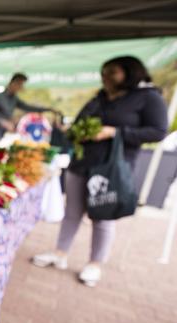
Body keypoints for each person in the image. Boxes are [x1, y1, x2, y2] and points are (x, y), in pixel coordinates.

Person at [32, 56, 168, 287]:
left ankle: (95, 263)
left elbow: (157, 131)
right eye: (104, 72)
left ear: (129, 72)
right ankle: (60, 253)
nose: (105, 76)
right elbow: (78, 124)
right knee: (72, 212)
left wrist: (115, 132)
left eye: (112, 72)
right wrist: (76, 132)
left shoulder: (148, 98)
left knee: (103, 215)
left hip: (111, 168)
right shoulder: (100, 98)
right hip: (82, 163)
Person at [0, 73, 58, 140]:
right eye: (20, 84)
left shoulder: (14, 99)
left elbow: (28, 107)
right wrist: (2, 122)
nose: (21, 87)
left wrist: (49, 109)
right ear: (13, 83)